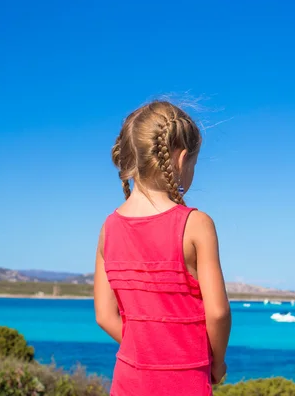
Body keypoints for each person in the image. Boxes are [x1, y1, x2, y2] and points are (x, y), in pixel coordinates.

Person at [93, 101, 232, 395]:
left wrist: (146, 351)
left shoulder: (109, 228)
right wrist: (216, 363)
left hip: (127, 382)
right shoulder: (196, 224)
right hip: (186, 382)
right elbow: (218, 313)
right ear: (181, 159)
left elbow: (105, 316)